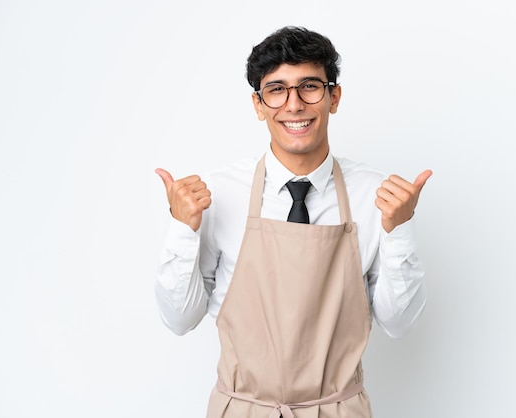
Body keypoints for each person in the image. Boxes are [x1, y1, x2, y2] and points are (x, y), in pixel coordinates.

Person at [154, 26, 432, 418]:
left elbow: (399, 325)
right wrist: (183, 229)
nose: (294, 104)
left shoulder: (377, 197)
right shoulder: (218, 193)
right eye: (277, 89)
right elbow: (180, 319)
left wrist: (399, 231)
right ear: (258, 104)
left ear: (334, 97)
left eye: (309, 87)